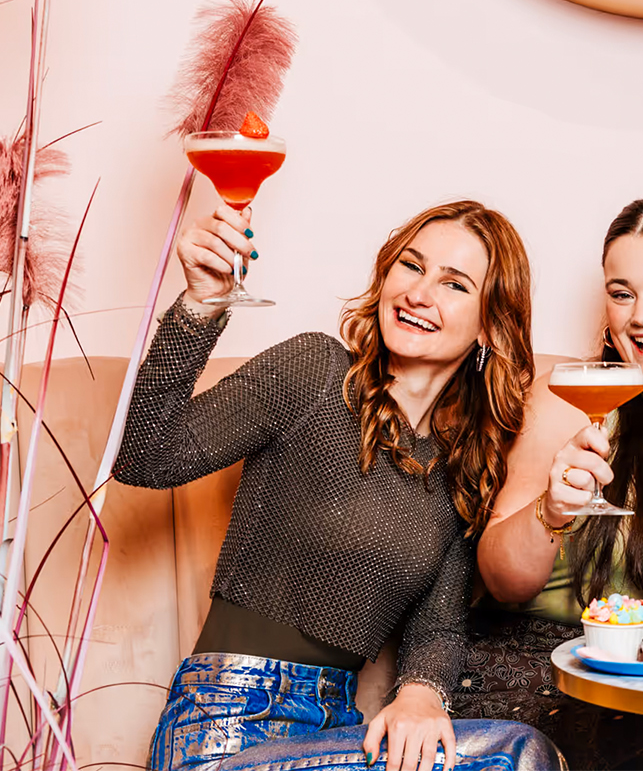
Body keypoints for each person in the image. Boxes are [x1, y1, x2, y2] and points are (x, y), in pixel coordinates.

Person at [114, 199, 563, 771]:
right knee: (519, 755)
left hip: (341, 733)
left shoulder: (460, 468)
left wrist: (421, 695)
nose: (419, 293)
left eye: (454, 284)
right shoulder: (316, 372)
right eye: (411, 266)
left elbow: (438, 626)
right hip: (224, 726)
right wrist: (201, 303)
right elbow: (147, 458)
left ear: (491, 326)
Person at [460, 197, 643, 769]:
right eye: (622, 294)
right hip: (540, 677)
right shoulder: (570, 402)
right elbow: (500, 580)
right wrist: (550, 509)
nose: (641, 315)